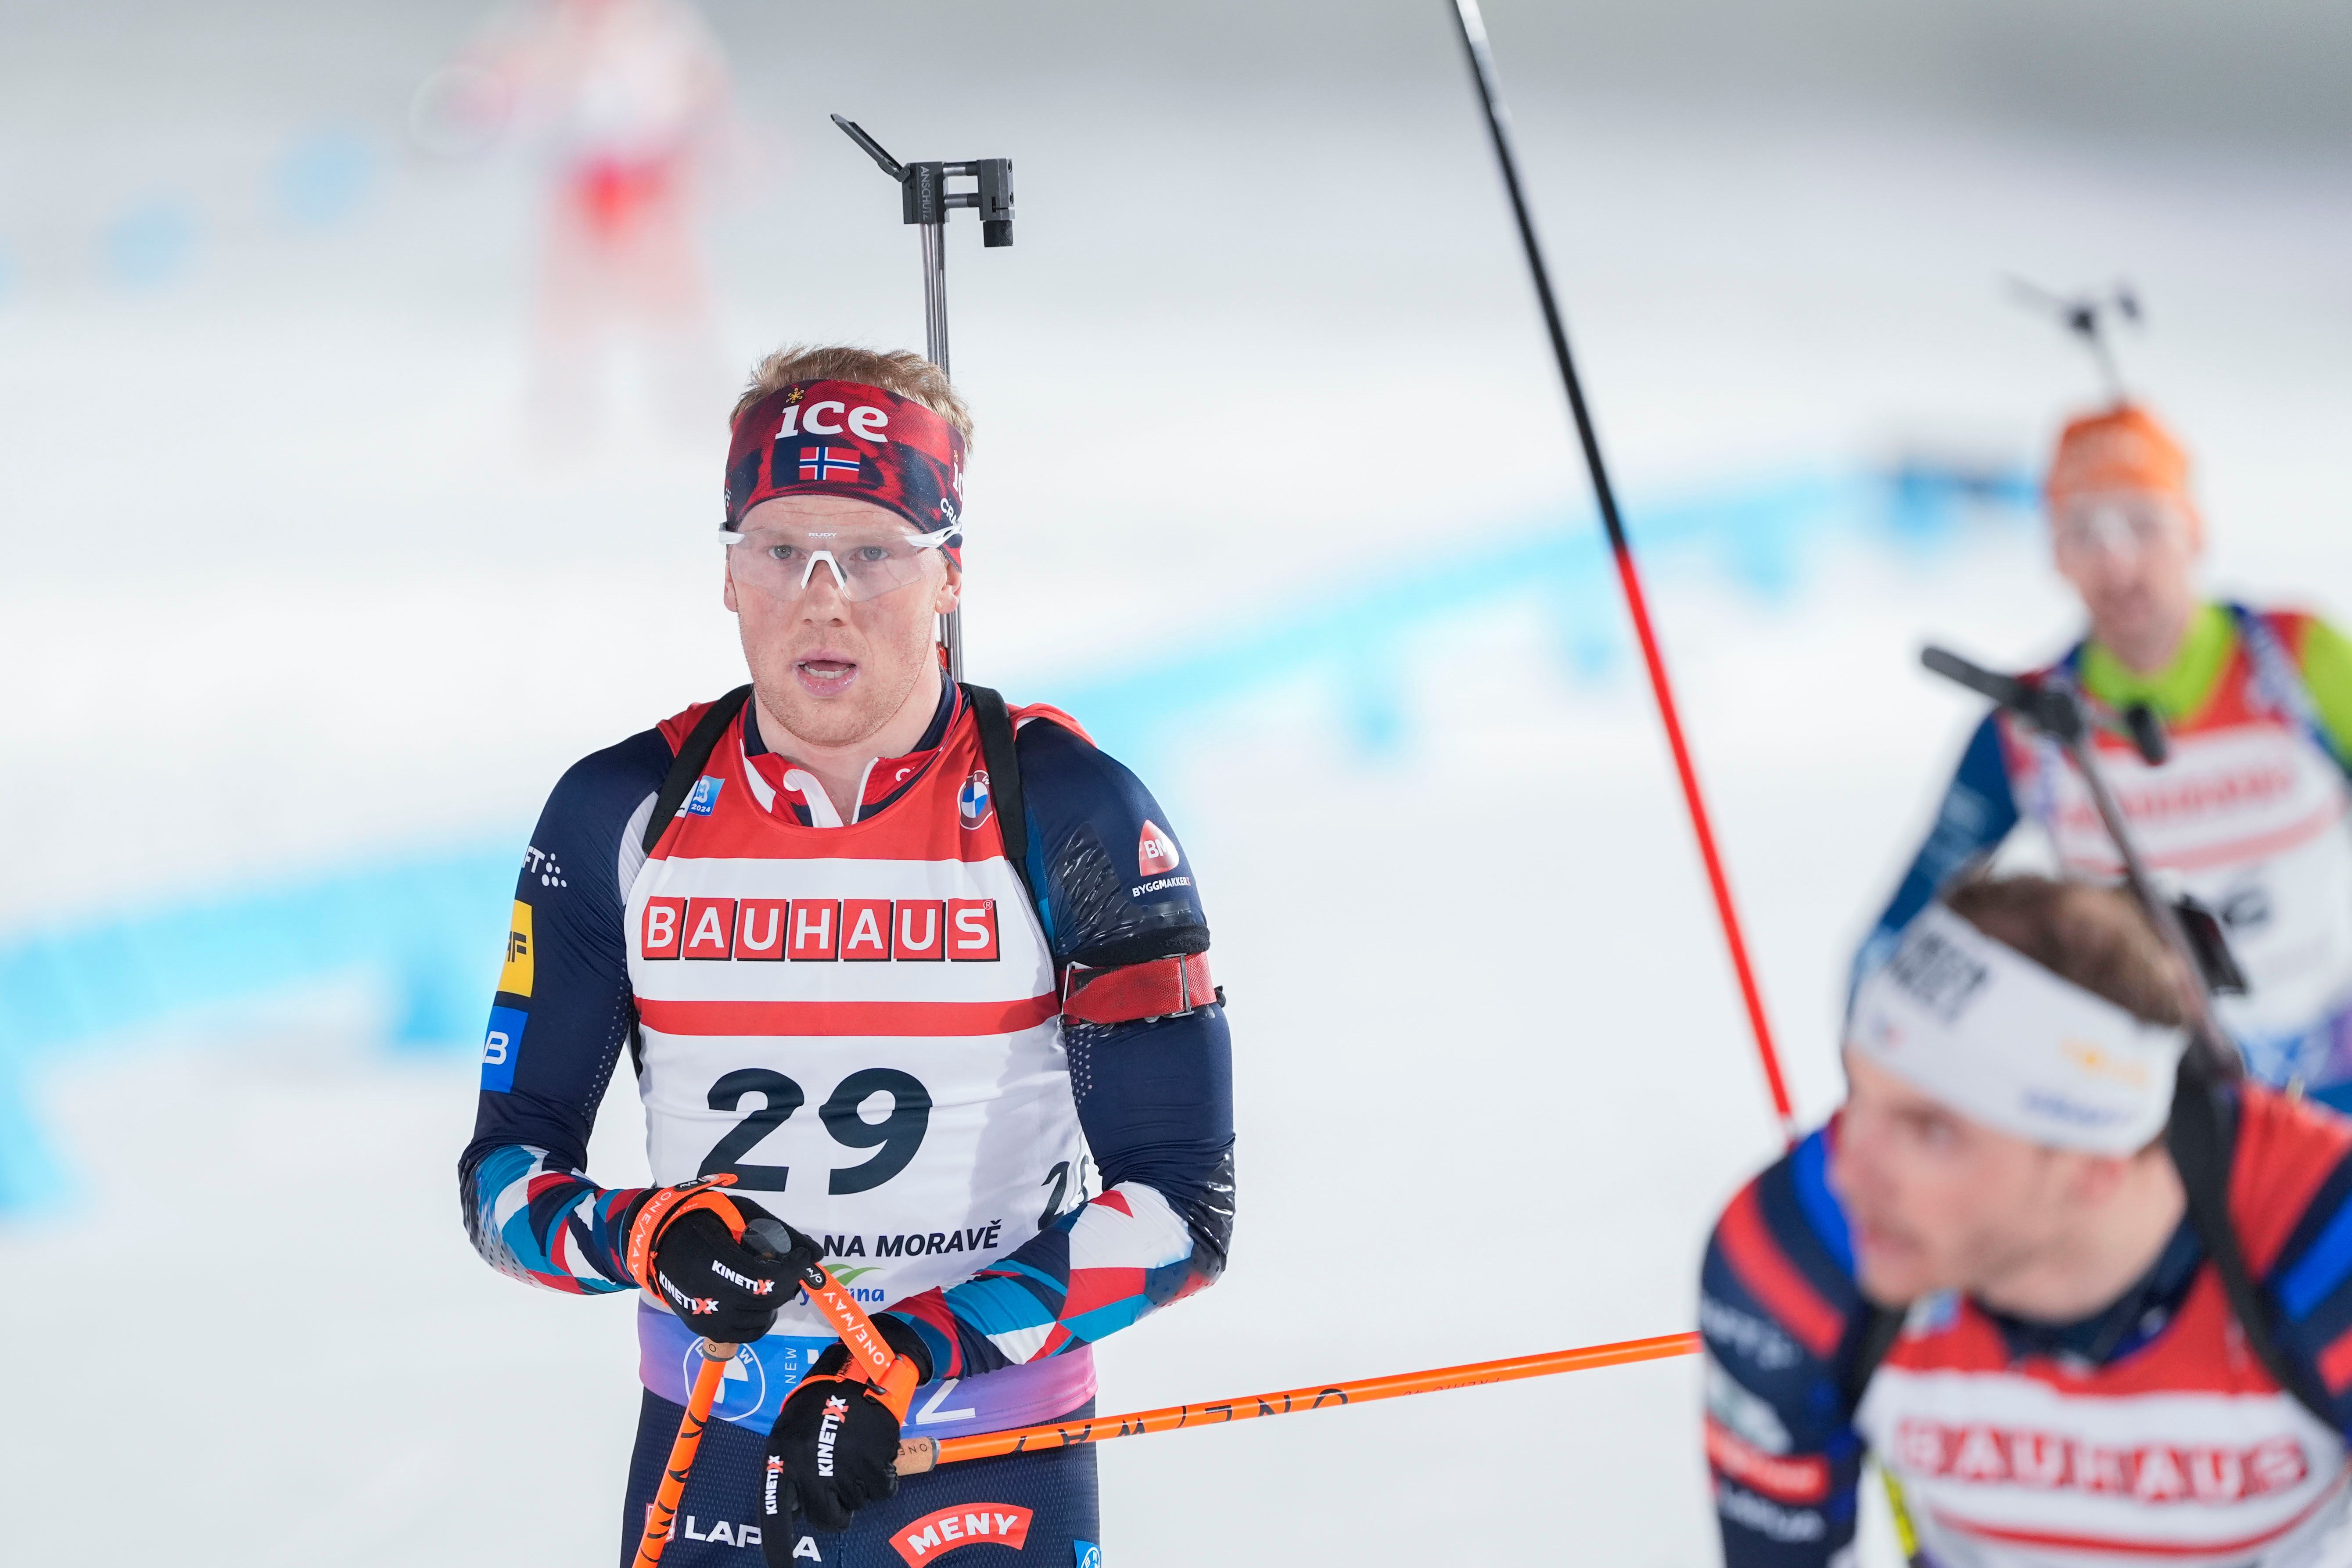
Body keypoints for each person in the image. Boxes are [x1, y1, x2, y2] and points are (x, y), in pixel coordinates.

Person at [458, 345, 1235, 1567]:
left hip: (984, 1447)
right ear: (728, 572)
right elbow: (503, 1180)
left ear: (949, 573)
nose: (822, 599)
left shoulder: (1067, 808)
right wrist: (647, 1235)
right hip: (712, 1443)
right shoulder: (620, 810)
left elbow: (1182, 1207)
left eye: (872, 553)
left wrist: (910, 1348)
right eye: (781, 550)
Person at [1703, 873, 2352, 1566]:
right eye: (1859, 1094)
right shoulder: (1797, 1244)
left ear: (2096, 1167)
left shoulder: (2326, 1239)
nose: (1848, 1171)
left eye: (1932, 1130)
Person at [1859, 402, 2352, 1108]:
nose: (2116, 561)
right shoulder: (2029, 722)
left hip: (2332, 1082)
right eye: (2082, 531)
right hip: (2146, 1106)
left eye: (2143, 523)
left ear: (2195, 531)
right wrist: (1877, 1088)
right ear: (2055, 556)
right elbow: (1900, 934)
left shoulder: (2298, 659)